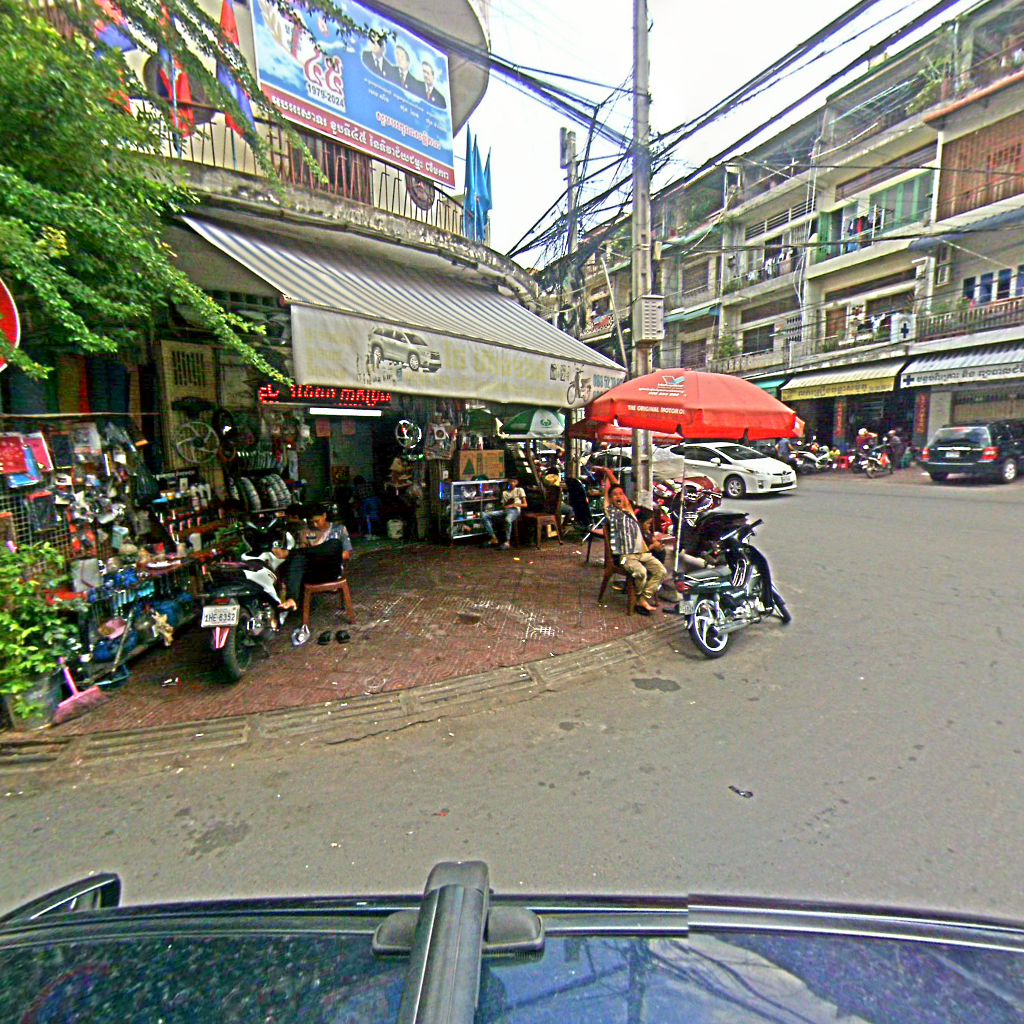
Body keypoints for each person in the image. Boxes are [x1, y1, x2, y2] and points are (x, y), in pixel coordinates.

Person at [601, 472, 667, 615]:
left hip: (643, 554)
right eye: (614, 495)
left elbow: (618, 489)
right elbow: (609, 492)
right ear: (610, 499)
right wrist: (608, 473)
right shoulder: (611, 512)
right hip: (626, 556)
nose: (618, 496)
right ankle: (639, 599)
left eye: (621, 494)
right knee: (641, 572)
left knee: (661, 571)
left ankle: (643, 598)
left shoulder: (629, 511)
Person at [277, 504, 352, 612]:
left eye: (317, 521)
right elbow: (301, 556)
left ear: (324, 515)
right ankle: (292, 599)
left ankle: (292, 553)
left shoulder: (339, 529)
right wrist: (313, 553)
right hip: (314, 573)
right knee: (297, 557)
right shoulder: (305, 532)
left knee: (334, 544)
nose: (315, 525)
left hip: (331, 570)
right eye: (312, 522)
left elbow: (346, 554)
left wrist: (321, 553)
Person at [483, 476, 526, 550]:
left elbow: (525, 504)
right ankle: (493, 537)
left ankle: (507, 542)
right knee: (484, 515)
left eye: (514, 481)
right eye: (511, 481)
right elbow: (503, 506)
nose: (512, 483)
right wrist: (506, 505)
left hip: (515, 510)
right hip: (505, 510)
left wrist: (514, 505)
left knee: (507, 520)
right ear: (508, 482)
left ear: (517, 483)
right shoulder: (505, 493)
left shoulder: (519, 490)